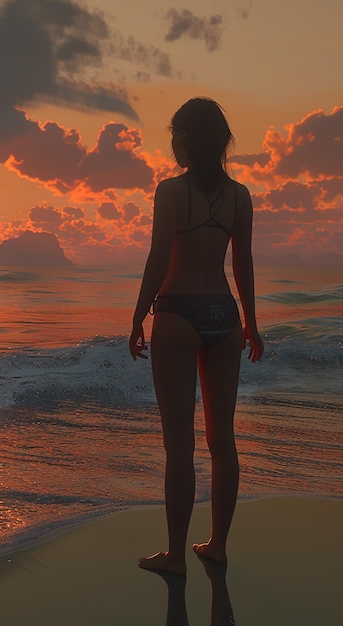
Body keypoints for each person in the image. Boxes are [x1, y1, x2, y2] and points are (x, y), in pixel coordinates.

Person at [129, 98, 263, 575]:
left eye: (175, 137)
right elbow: (241, 263)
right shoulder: (240, 197)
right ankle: (218, 546)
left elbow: (158, 259)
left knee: (178, 445)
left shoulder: (170, 192)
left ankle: (175, 555)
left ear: (187, 139)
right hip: (223, 316)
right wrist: (250, 322)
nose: (172, 146)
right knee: (222, 441)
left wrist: (139, 314)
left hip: (178, 315)